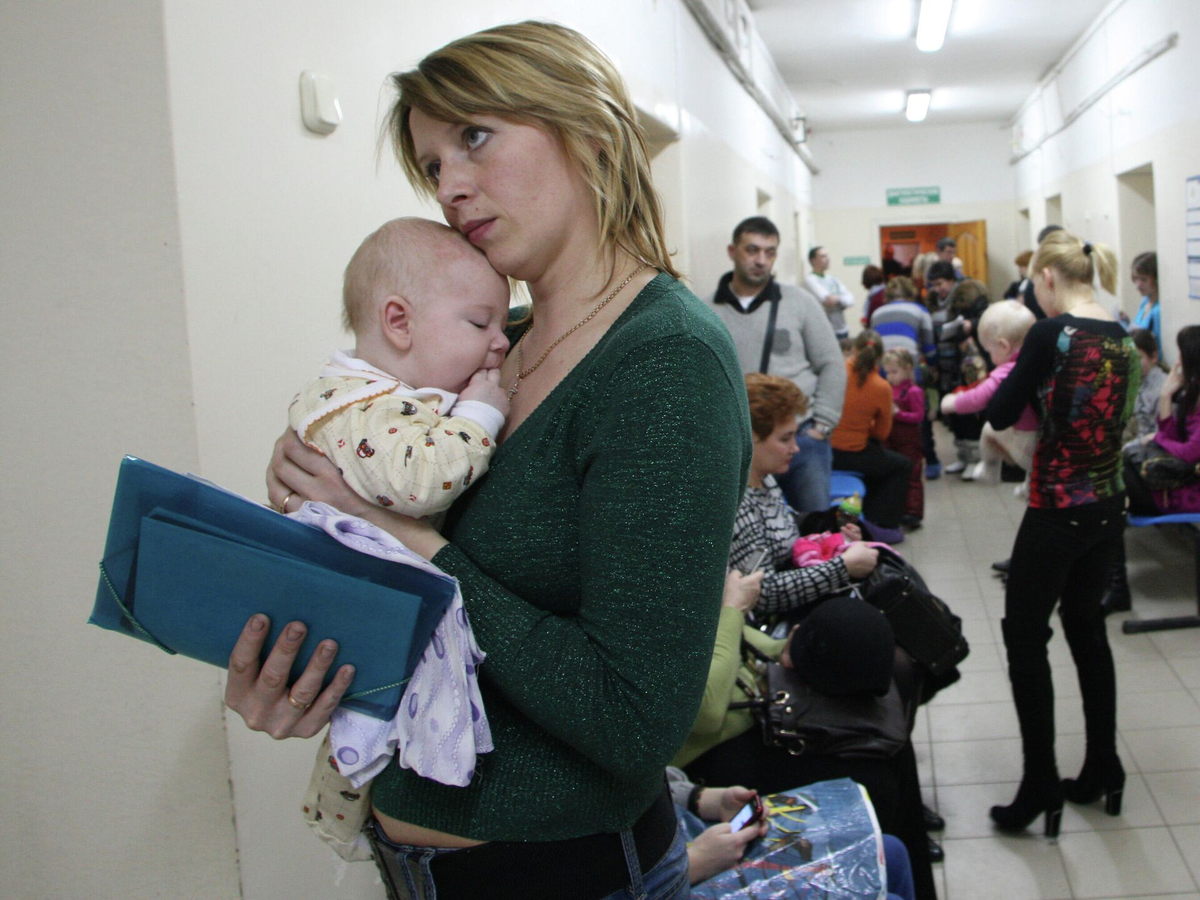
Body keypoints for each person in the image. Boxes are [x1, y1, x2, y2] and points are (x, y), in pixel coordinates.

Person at [230, 22, 753, 900]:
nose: (452, 189)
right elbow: (412, 601)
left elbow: (635, 718)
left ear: (589, 128)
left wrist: (414, 546)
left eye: (474, 137)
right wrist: (305, 649)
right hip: (415, 863)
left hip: (567, 873)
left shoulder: (665, 361)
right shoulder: (483, 350)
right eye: (432, 165)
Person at [985, 230, 1139, 837]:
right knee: (1086, 629)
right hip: (1109, 505)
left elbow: (999, 413)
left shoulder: (1052, 334)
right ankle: (1104, 763)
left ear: (1048, 279)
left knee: (1024, 639)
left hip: (1056, 509)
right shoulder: (1121, 332)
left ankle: (1039, 781)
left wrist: (1012, 373)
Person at [288, 218, 510, 519]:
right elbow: (418, 485)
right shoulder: (361, 408)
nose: (502, 342)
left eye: (504, 326)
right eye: (480, 323)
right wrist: (478, 417)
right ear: (400, 322)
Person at [709, 217, 846, 515]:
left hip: (800, 440)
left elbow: (832, 363)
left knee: (814, 525)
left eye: (769, 252)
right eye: (752, 250)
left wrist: (822, 424)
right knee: (742, 537)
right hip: (737, 444)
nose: (761, 260)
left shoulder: (800, 302)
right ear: (733, 251)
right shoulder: (707, 311)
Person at [729, 374, 879, 619]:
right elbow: (761, 593)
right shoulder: (737, 504)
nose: (795, 448)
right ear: (751, 436)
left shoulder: (764, 480)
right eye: (785, 438)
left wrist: (833, 543)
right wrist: (842, 567)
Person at [665, 768, 917, 900]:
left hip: (684, 836)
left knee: (890, 851)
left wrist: (706, 799)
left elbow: (655, 782)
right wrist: (693, 863)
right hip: (664, 880)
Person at [1104, 326, 1200, 613]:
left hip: (1185, 485)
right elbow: (1170, 435)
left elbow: (1187, 453)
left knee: (1111, 490)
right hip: (1173, 475)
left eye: (1182, 355)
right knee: (1108, 480)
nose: (1178, 362)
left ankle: (1117, 587)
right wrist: (1167, 397)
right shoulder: (1190, 394)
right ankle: (1112, 583)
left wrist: (1157, 438)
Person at [940, 301, 1038, 485]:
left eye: (990, 351)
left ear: (1003, 346)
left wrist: (952, 403)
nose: (991, 358)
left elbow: (978, 398)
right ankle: (1027, 486)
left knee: (989, 429)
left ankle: (989, 470)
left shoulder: (1006, 371)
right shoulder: (1037, 360)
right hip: (1043, 437)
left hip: (1026, 442)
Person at [830, 330, 913, 544]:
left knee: (877, 461)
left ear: (854, 350)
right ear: (879, 358)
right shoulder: (881, 387)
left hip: (825, 450)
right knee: (900, 465)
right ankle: (882, 524)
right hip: (853, 452)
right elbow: (882, 433)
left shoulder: (835, 372)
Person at [883, 350, 925, 528]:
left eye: (895, 372)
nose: (891, 376)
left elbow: (918, 416)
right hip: (890, 438)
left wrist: (899, 414)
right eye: (888, 372)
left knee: (912, 475)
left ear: (908, 369)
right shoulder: (887, 389)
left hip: (909, 440)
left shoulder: (913, 391)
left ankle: (913, 512)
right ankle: (897, 509)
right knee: (895, 475)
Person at [805, 245, 856, 340]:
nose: (828, 259)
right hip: (826, 332)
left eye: (827, 256)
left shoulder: (833, 279)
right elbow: (828, 301)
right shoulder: (810, 280)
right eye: (823, 256)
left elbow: (851, 299)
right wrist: (842, 301)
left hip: (843, 329)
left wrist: (839, 300)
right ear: (813, 260)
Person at [1130, 251, 1163, 357]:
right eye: (1136, 279)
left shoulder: (1158, 310)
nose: (1138, 285)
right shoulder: (1145, 302)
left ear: (1156, 279)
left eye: (1144, 279)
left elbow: (1159, 349)